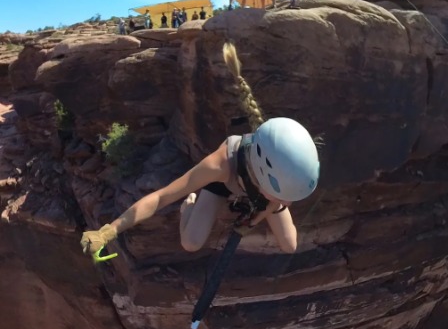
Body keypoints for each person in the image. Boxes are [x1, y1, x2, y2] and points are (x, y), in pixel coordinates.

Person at [81, 43, 320, 258]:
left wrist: (253, 219)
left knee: (289, 244)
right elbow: (161, 198)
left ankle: (257, 194)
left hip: (260, 185)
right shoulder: (219, 166)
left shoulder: (283, 166)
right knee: (191, 242)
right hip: (226, 183)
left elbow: (274, 202)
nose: (288, 203)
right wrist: (108, 231)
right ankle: (189, 206)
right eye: (284, 197)